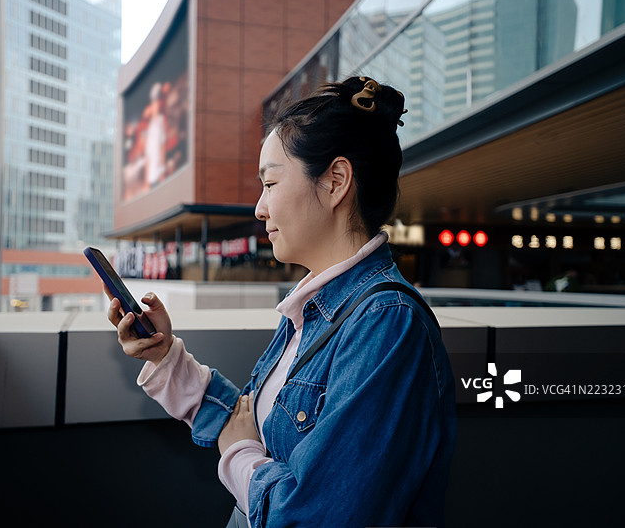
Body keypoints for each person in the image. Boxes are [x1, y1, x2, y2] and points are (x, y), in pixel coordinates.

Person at [105, 76, 456, 528]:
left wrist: (238, 457)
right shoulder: (316, 307)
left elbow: (311, 514)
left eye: (270, 183)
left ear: (335, 182)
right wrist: (166, 357)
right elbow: (255, 425)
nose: (259, 208)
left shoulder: (386, 325)